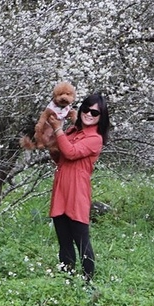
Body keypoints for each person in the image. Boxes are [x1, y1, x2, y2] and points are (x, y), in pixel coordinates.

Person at [47, 92, 110, 282]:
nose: (89, 114)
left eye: (95, 112)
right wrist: (51, 137)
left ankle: (88, 282)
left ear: (101, 117)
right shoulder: (73, 132)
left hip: (77, 191)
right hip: (62, 188)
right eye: (86, 109)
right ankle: (67, 280)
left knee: (81, 240)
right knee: (64, 241)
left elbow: (71, 152)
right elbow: (59, 156)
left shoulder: (95, 138)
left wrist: (58, 130)